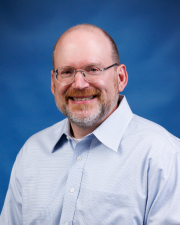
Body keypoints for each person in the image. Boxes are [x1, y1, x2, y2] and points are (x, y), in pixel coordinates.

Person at [0, 24, 180, 225]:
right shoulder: (31, 152)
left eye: (93, 69)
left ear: (120, 78)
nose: (79, 84)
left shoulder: (165, 156)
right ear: (53, 83)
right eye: (67, 72)